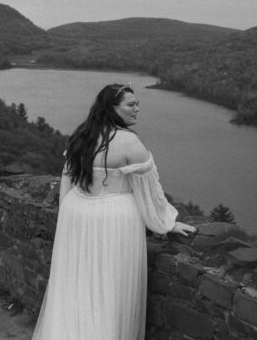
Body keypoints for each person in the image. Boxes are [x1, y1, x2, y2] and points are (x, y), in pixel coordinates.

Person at [31, 83, 197, 340]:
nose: (137, 109)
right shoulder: (130, 143)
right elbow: (150, 192)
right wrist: (166, 223)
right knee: (110, 288)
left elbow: (68, 180)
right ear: (112, 108)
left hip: (77, 214)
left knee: (77, 285)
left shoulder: (82, 135)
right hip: (114, 219)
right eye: (131, 105)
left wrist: (67, 215)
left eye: (137, 103)